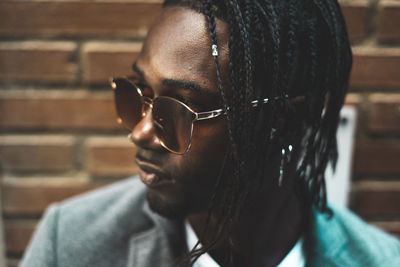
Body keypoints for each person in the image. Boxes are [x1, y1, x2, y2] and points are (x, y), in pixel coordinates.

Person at [21, 0, 400, 266]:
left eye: (182, 108)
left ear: (283, 120)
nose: (140, 132)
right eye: (137, 94)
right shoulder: (69, 242)